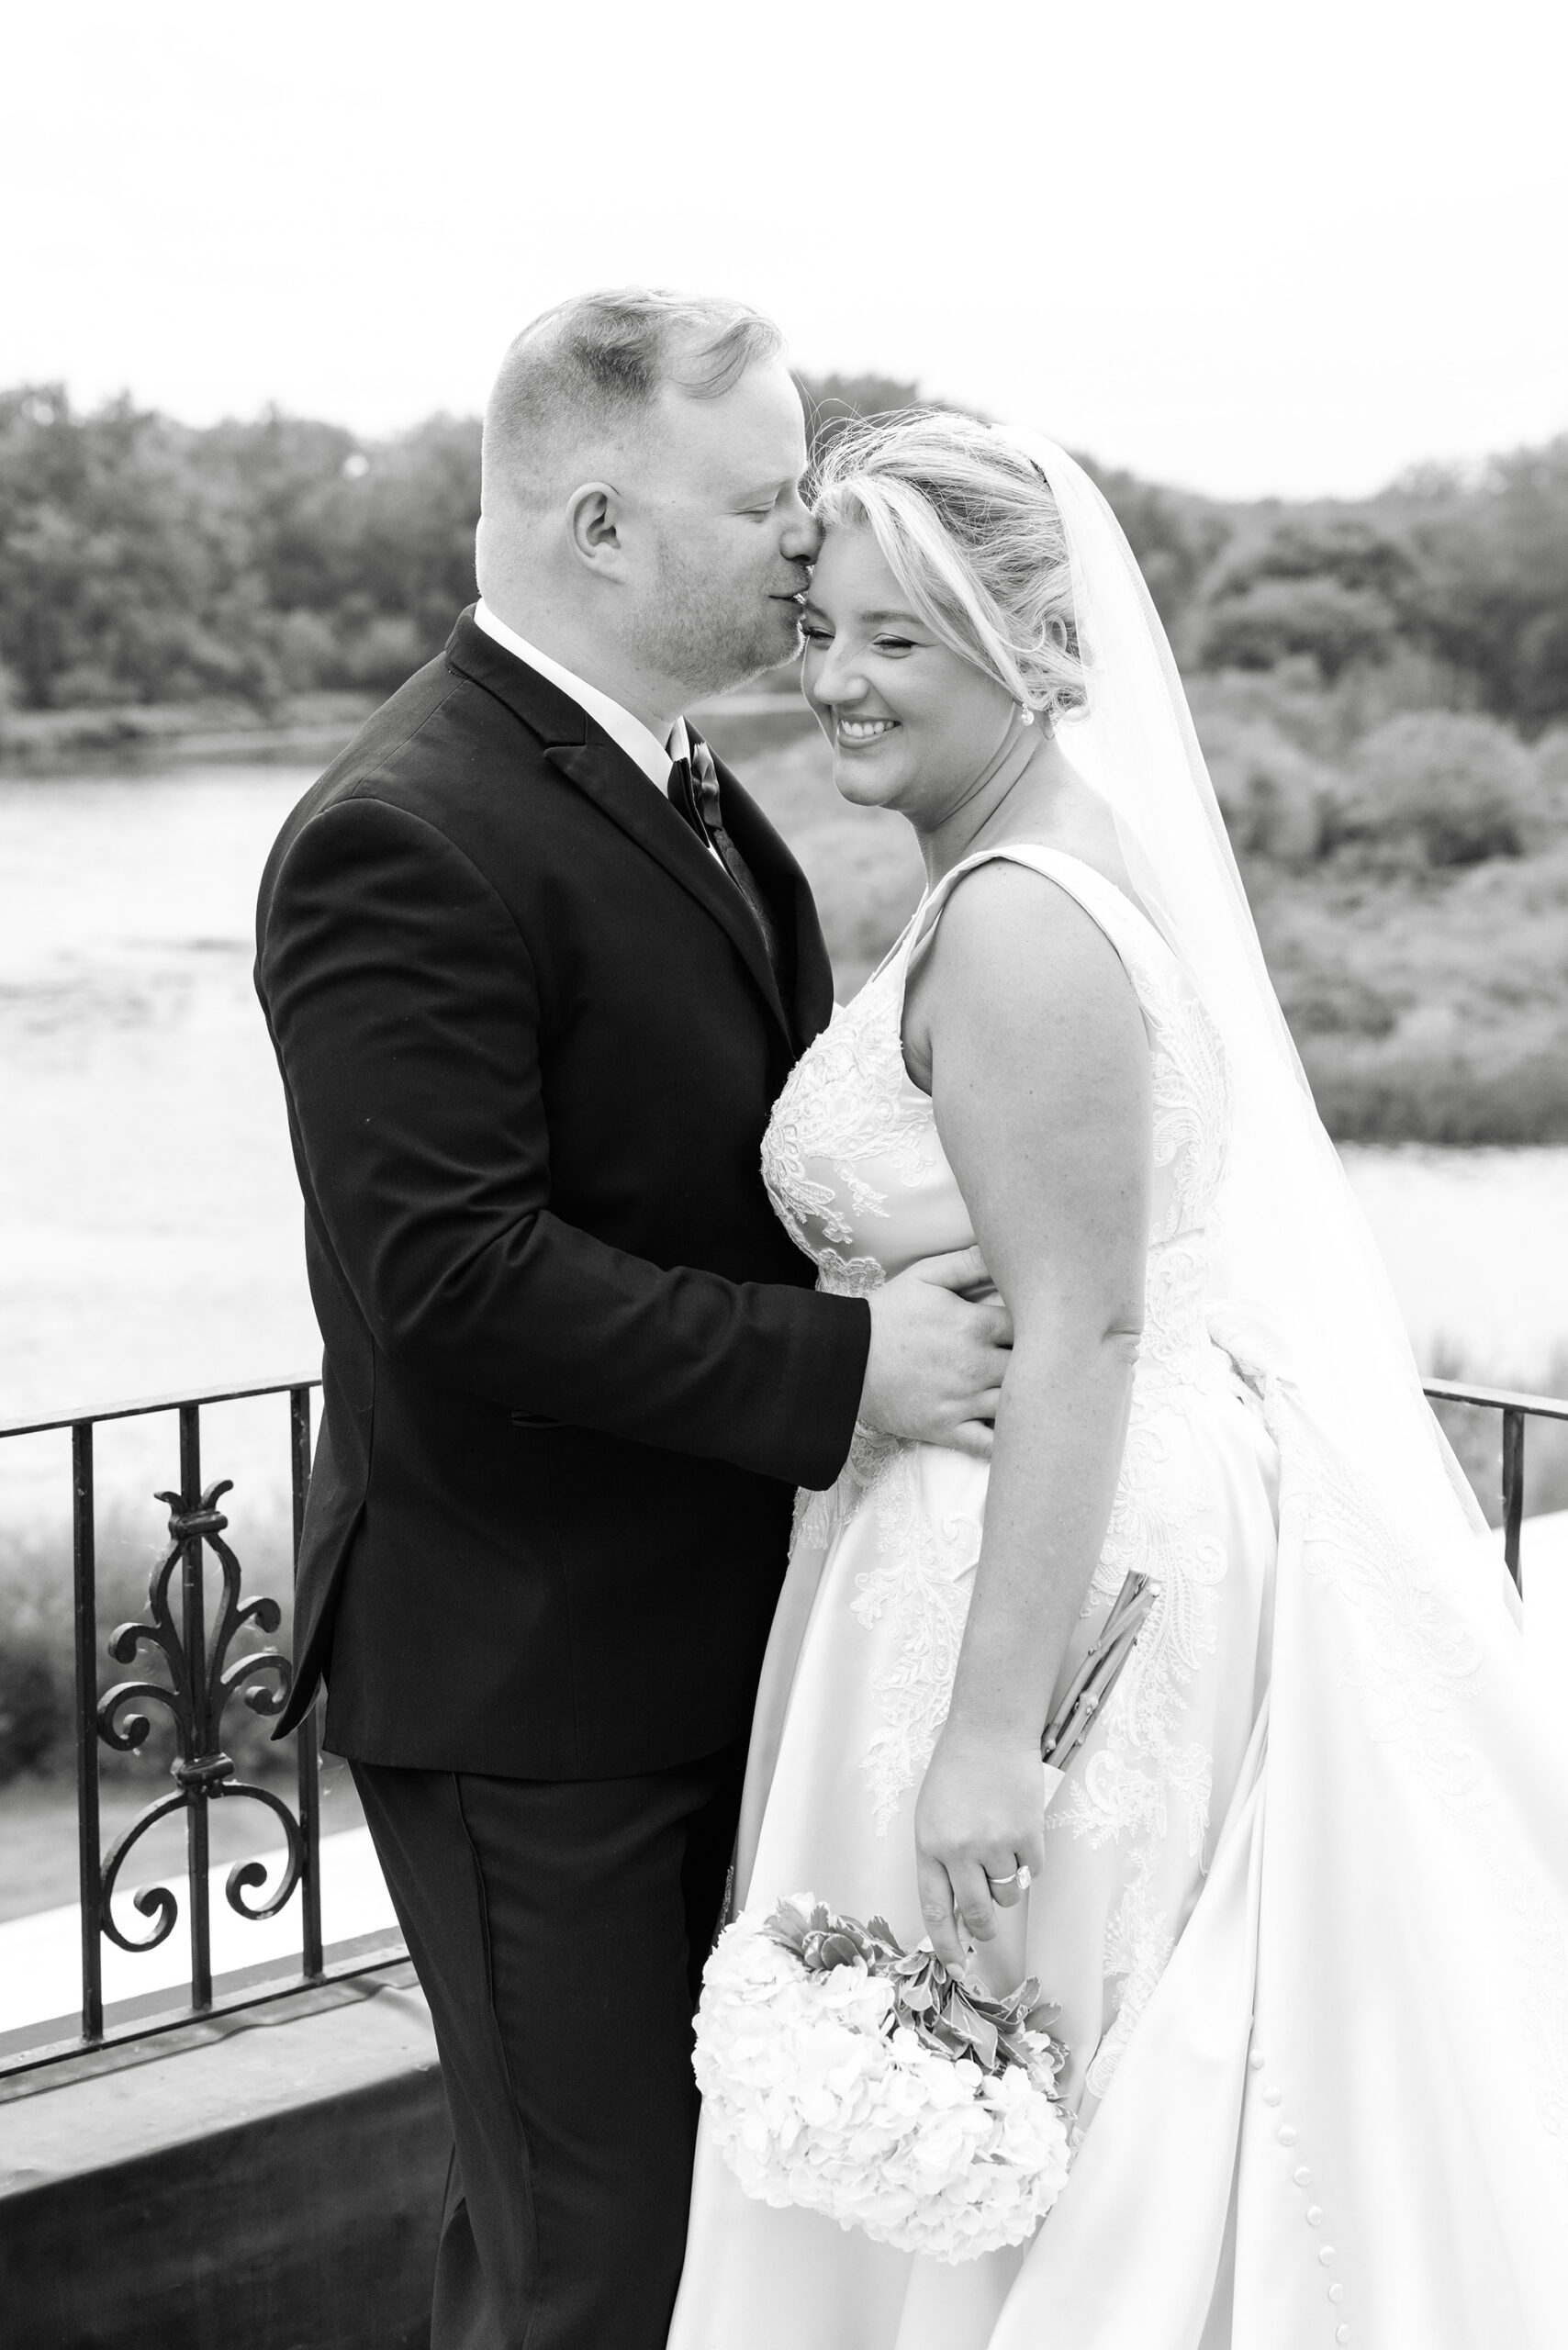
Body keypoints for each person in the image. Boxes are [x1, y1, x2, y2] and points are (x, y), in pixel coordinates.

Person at [668, 410, 1568, 2348]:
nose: (834, 674)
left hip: (1037, 1586)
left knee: (1007, 2068)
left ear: (1031, 643)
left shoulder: (1013, 918)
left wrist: (988, 1727)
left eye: (901, 638)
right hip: (1046, 1528)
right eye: (824, 622)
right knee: (1005, 2072)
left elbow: (1083, 1321)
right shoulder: (1035, 852)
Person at [253, 292, 1011, 2350]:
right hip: (527, 1688)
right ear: (597, 520)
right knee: (594, 2260)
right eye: (763, 496)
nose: (803, 538)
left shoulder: (683, 782)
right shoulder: (398, 833)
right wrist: (843, 1376)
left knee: (663, 2236)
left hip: (697, 1649)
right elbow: (449, 1271)